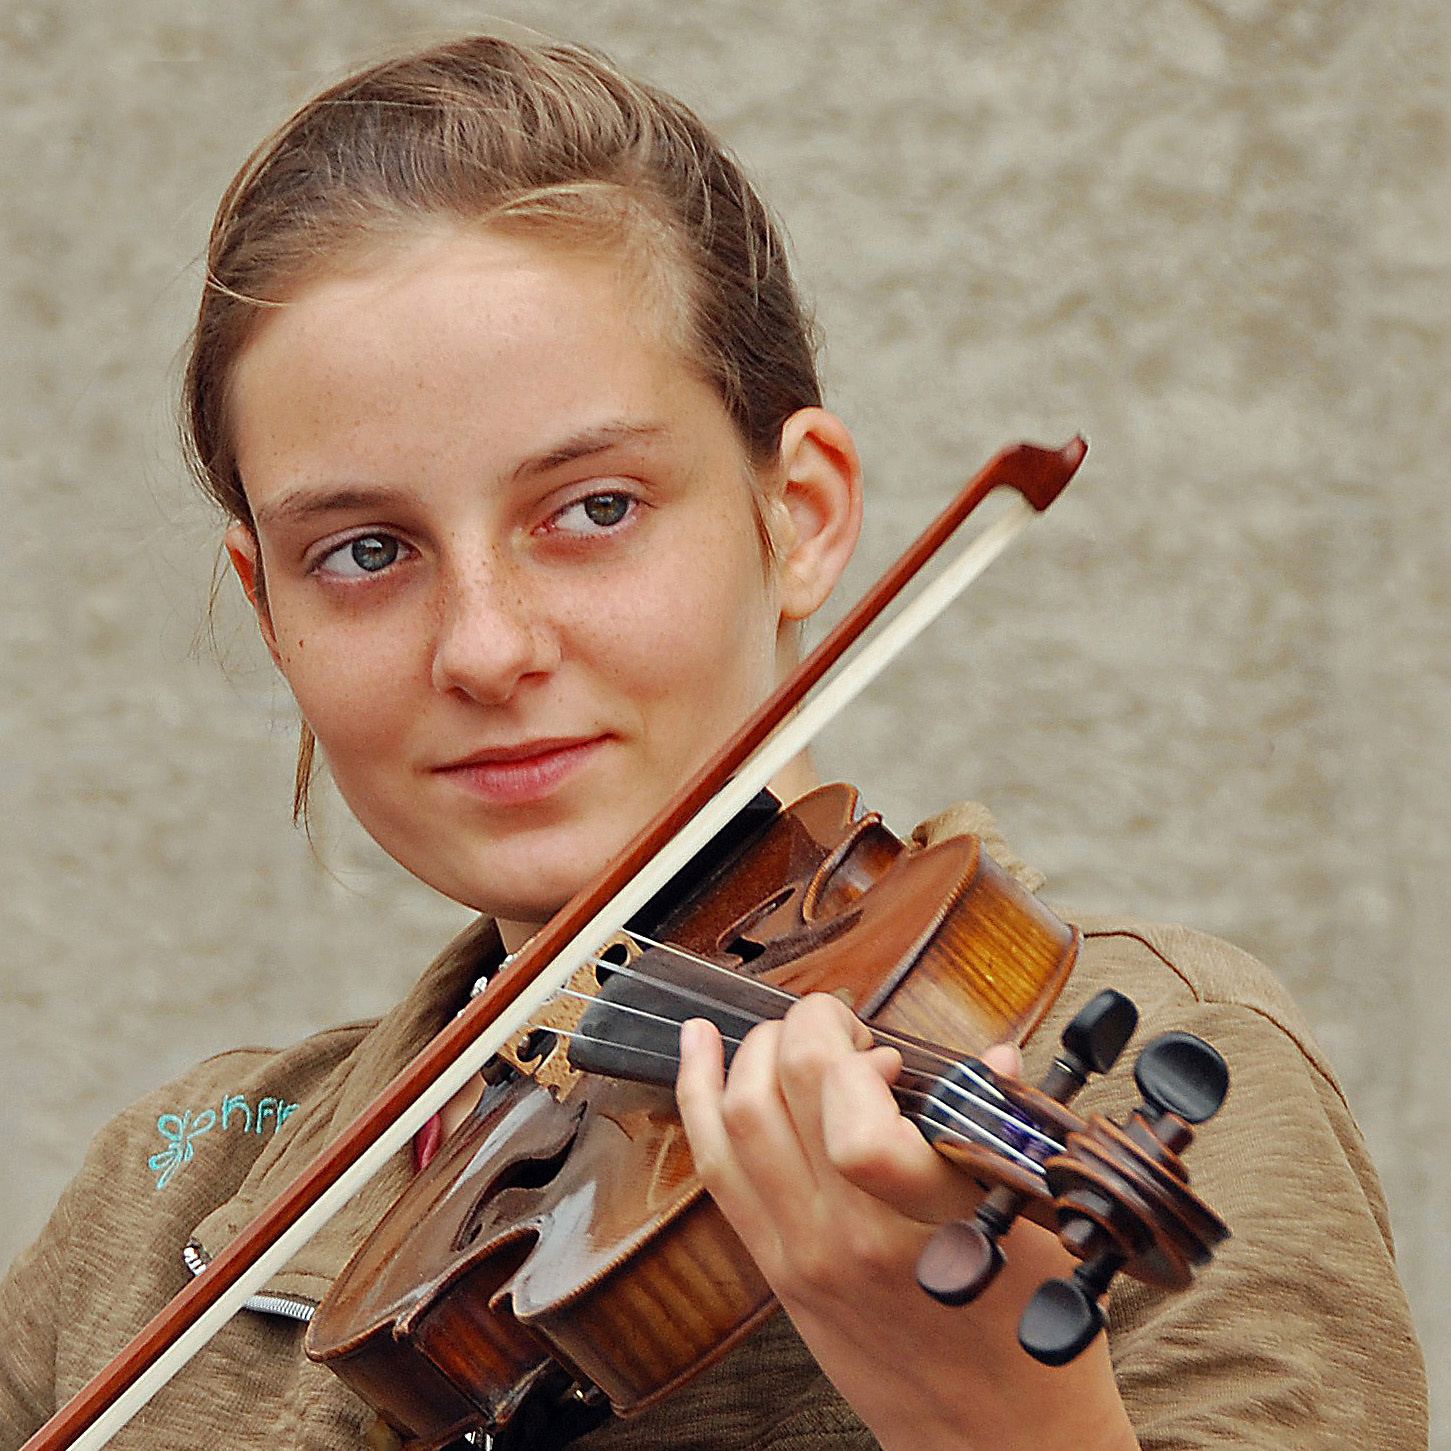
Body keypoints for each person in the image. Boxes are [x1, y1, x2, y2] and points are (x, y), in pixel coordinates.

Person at [0, 33, 1426, 1451]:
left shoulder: (1137, 1061)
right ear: (270, 609)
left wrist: (1000, 1422)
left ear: (797, 515)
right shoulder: (179, 1185)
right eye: (366, 550)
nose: (486, 647)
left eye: (596, 508)